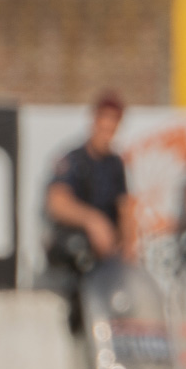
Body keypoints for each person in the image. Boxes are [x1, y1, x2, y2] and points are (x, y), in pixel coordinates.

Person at [45, 91, 136, 329]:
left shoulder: (115, 164)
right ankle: (77, 321)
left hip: (106, 254)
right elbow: (57, 203)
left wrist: (128, 245)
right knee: (79, 249)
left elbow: (125, 208)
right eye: (104, 122)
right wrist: (92, 220)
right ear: (94, 121)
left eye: (113, 124)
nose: (108, 130)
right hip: (77, 248)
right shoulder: (74, 160)